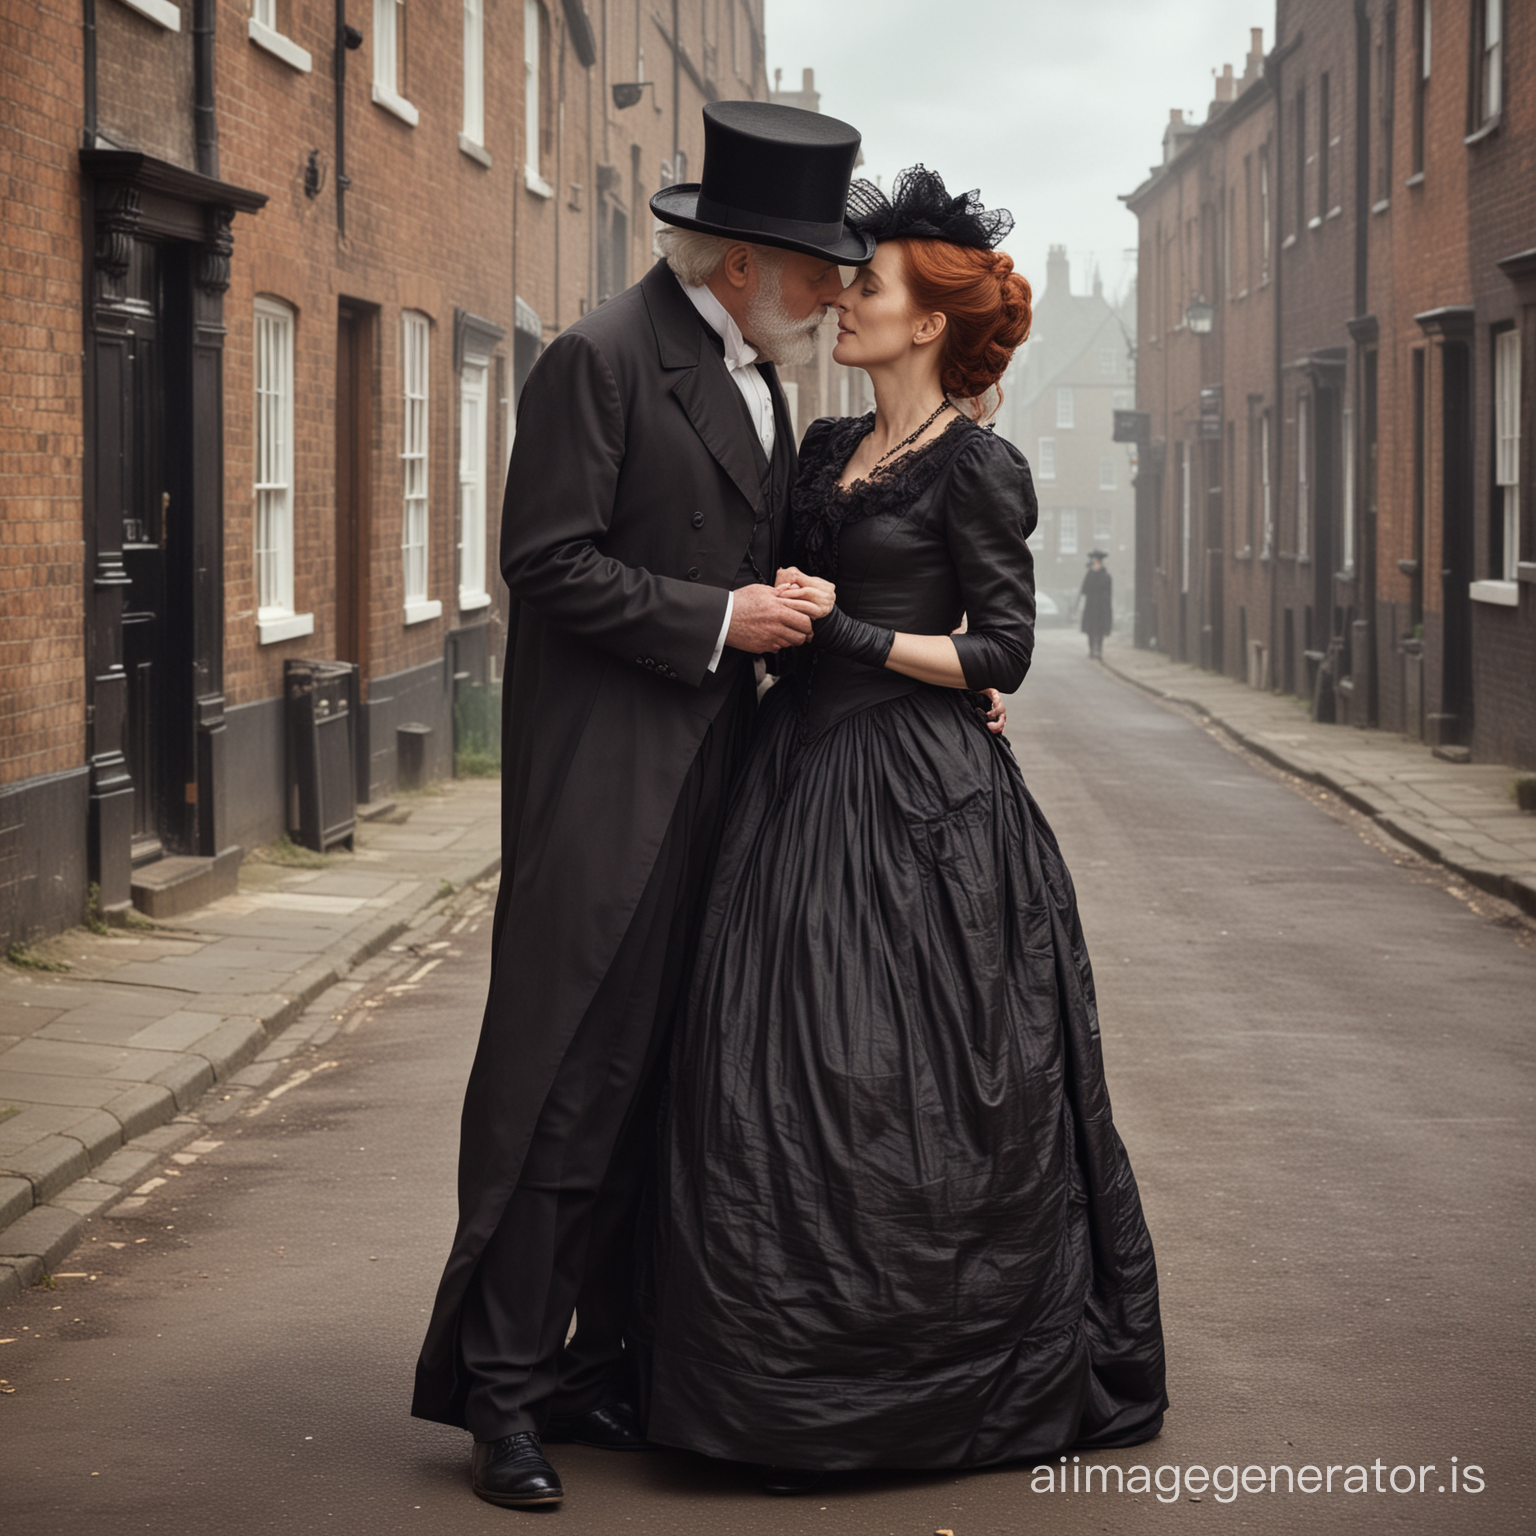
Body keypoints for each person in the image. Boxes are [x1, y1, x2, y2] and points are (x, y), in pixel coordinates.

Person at [638, 168, 1168, 1491]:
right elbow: (762, 581)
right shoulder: (821, 449)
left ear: (926, 322)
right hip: (794, 777)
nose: (844, 301)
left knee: (917, 1087)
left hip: (921, 803)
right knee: (759, 1074)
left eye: (865, 286)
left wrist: (860, 632)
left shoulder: (979, 469)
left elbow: (1003, 649)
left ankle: (930, 1381)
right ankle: (757, 1378)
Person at [410, 101, 880, 1512]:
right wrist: (717, 616)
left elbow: (746, 557)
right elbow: (544, 560)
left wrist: (805, 613)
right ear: (743, 263)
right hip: (606, 785)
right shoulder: (599, 358)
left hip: (713, 781)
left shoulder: (763, 377)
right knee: (563, 1084)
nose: (832, 295)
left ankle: (600, 1362)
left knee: (665, 1084)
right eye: (818, 270)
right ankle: (500, 1396)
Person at [1076, 550, 1113, 659]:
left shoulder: (1106, 575)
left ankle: (1099, 650)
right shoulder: (1089, 574)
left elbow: (1109, 593)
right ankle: (1092, 649)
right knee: (1091, 629)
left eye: (1097, 561)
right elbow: (1084, 590)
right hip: (1091, 606)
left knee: (1100, 629)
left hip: (1102, 606)